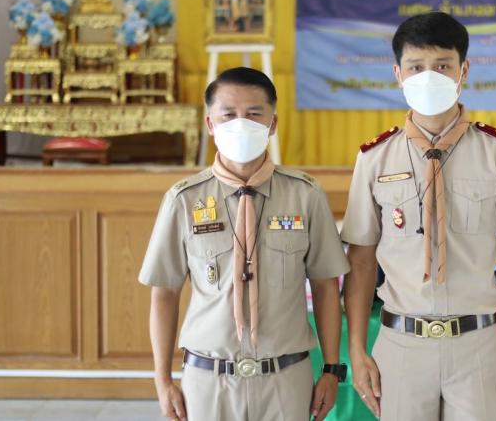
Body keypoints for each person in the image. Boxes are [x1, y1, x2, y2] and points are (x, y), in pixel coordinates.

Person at [341, 12, 496, 420]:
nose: (428, 77)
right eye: (416, 67)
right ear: (398, 74)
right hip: (400, 344)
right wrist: (357, 349)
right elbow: (360, 262)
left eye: (442, 66)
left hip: (478, 344)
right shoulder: (374, 157)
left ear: (463, 71)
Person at [139, 67, 350, 421]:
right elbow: (164, 292)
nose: (241, 124)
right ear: (210, 124)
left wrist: (331, 369)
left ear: (273, 123)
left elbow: (326, 286)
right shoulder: (183, 200)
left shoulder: (305, 195)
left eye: (253, 114)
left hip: (286, 377)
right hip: (209, 379)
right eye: (228, 115)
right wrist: (162, 380)